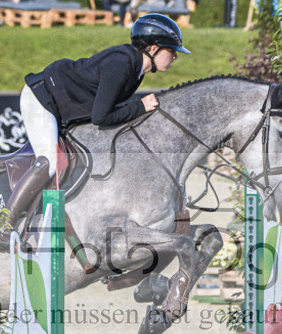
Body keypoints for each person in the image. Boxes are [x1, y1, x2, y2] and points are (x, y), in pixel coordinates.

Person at [10, 14, 190, 226]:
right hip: (42, 98)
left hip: (62, 103)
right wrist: (139, 106)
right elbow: (101, 117)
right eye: (172, 51)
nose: (175, 57)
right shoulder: (122, 65)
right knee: (50, 161)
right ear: (153, 49)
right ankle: (4, 223)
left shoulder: (137, 69)